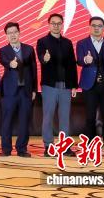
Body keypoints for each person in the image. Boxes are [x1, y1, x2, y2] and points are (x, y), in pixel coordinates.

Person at [77, 16, 104, 155]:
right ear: (89, 27)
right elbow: (79, 60)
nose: (96, 28)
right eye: (94, 25)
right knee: (90, 118)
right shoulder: (82, 43)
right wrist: (86, 59)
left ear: (103, 28)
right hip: (89, 86)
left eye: (99, 26)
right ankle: (91, 147)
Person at [37, 13, 78, 157]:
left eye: (58, 23)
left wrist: (74, 85)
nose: (56, 26)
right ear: (49, 25)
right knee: (48, 116)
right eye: (53, 23)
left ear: (62, 25)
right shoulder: (42, 41)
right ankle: (48, 145)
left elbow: (72, 65)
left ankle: (65, 146)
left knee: (65, 117)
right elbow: (41, 58)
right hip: (49, 85)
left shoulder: (67, 42)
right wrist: (45, 58)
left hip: (65, 86)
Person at [0, 22, 36, 157]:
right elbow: (3, 61)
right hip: (9, 91)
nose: (13, 35)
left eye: (15, 32)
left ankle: (22, 149)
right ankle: (6, 149)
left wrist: (34, 89)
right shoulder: (2, 50)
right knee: (6, 120)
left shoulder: (29, 49)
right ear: (6, 36)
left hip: (26, 91)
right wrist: (10, 63)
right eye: (9, 33)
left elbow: (33, 70)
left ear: (19, 33)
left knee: (25, 120)